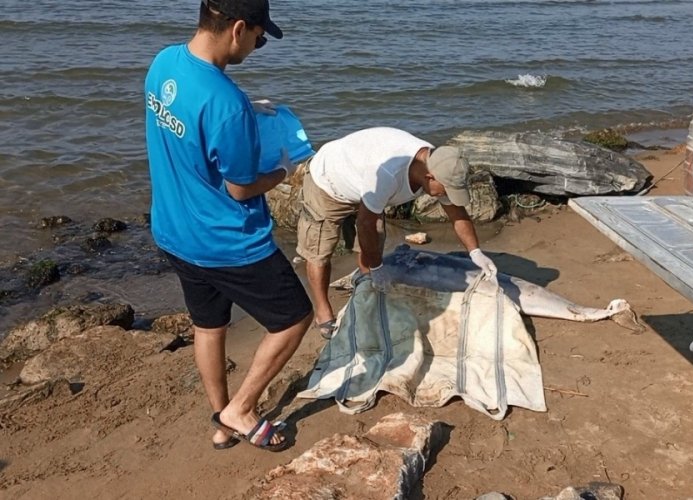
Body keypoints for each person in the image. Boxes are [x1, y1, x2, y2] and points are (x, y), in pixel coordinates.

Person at [144, 0, 312, 452]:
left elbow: (192, 131)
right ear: (238, 28)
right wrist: (285, 170)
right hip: (228, 242)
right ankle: (242, 407)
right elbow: (241, 189)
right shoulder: (226, 102)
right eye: (259, 36)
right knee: (295, 317)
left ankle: (221, 422)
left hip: (174, 231)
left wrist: (245, 117)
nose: (259, 45)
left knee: (209, 325)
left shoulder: (163, 63)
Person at [296, 127, 498, 339]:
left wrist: (475, 252)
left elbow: (457, 212)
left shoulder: (440, 164)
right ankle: (322, 311)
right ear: (430, 176)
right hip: (329, 183)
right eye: (446, 190)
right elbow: (366, 224)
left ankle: (366, 288)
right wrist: (377, 266)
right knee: (320, 250)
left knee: (373, 243)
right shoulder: (388, 174)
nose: (447, 196)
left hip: (363, 184)